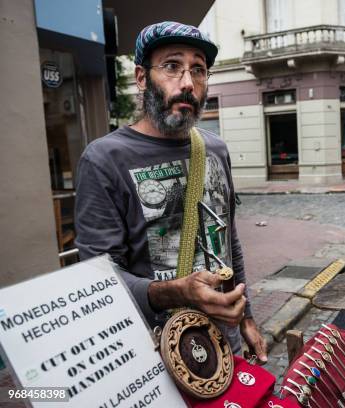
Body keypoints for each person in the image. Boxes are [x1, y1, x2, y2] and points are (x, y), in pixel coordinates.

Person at [74, 21, 267, 363]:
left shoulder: (216, 149)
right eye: (172, 66)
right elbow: (99, 276)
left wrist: (247, 315)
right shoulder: (105, 158)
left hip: (226, 343)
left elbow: (229, 242)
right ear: (141, 77)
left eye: (199, 69)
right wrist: (176, 291)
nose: (189, 83)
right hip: (157, 353)